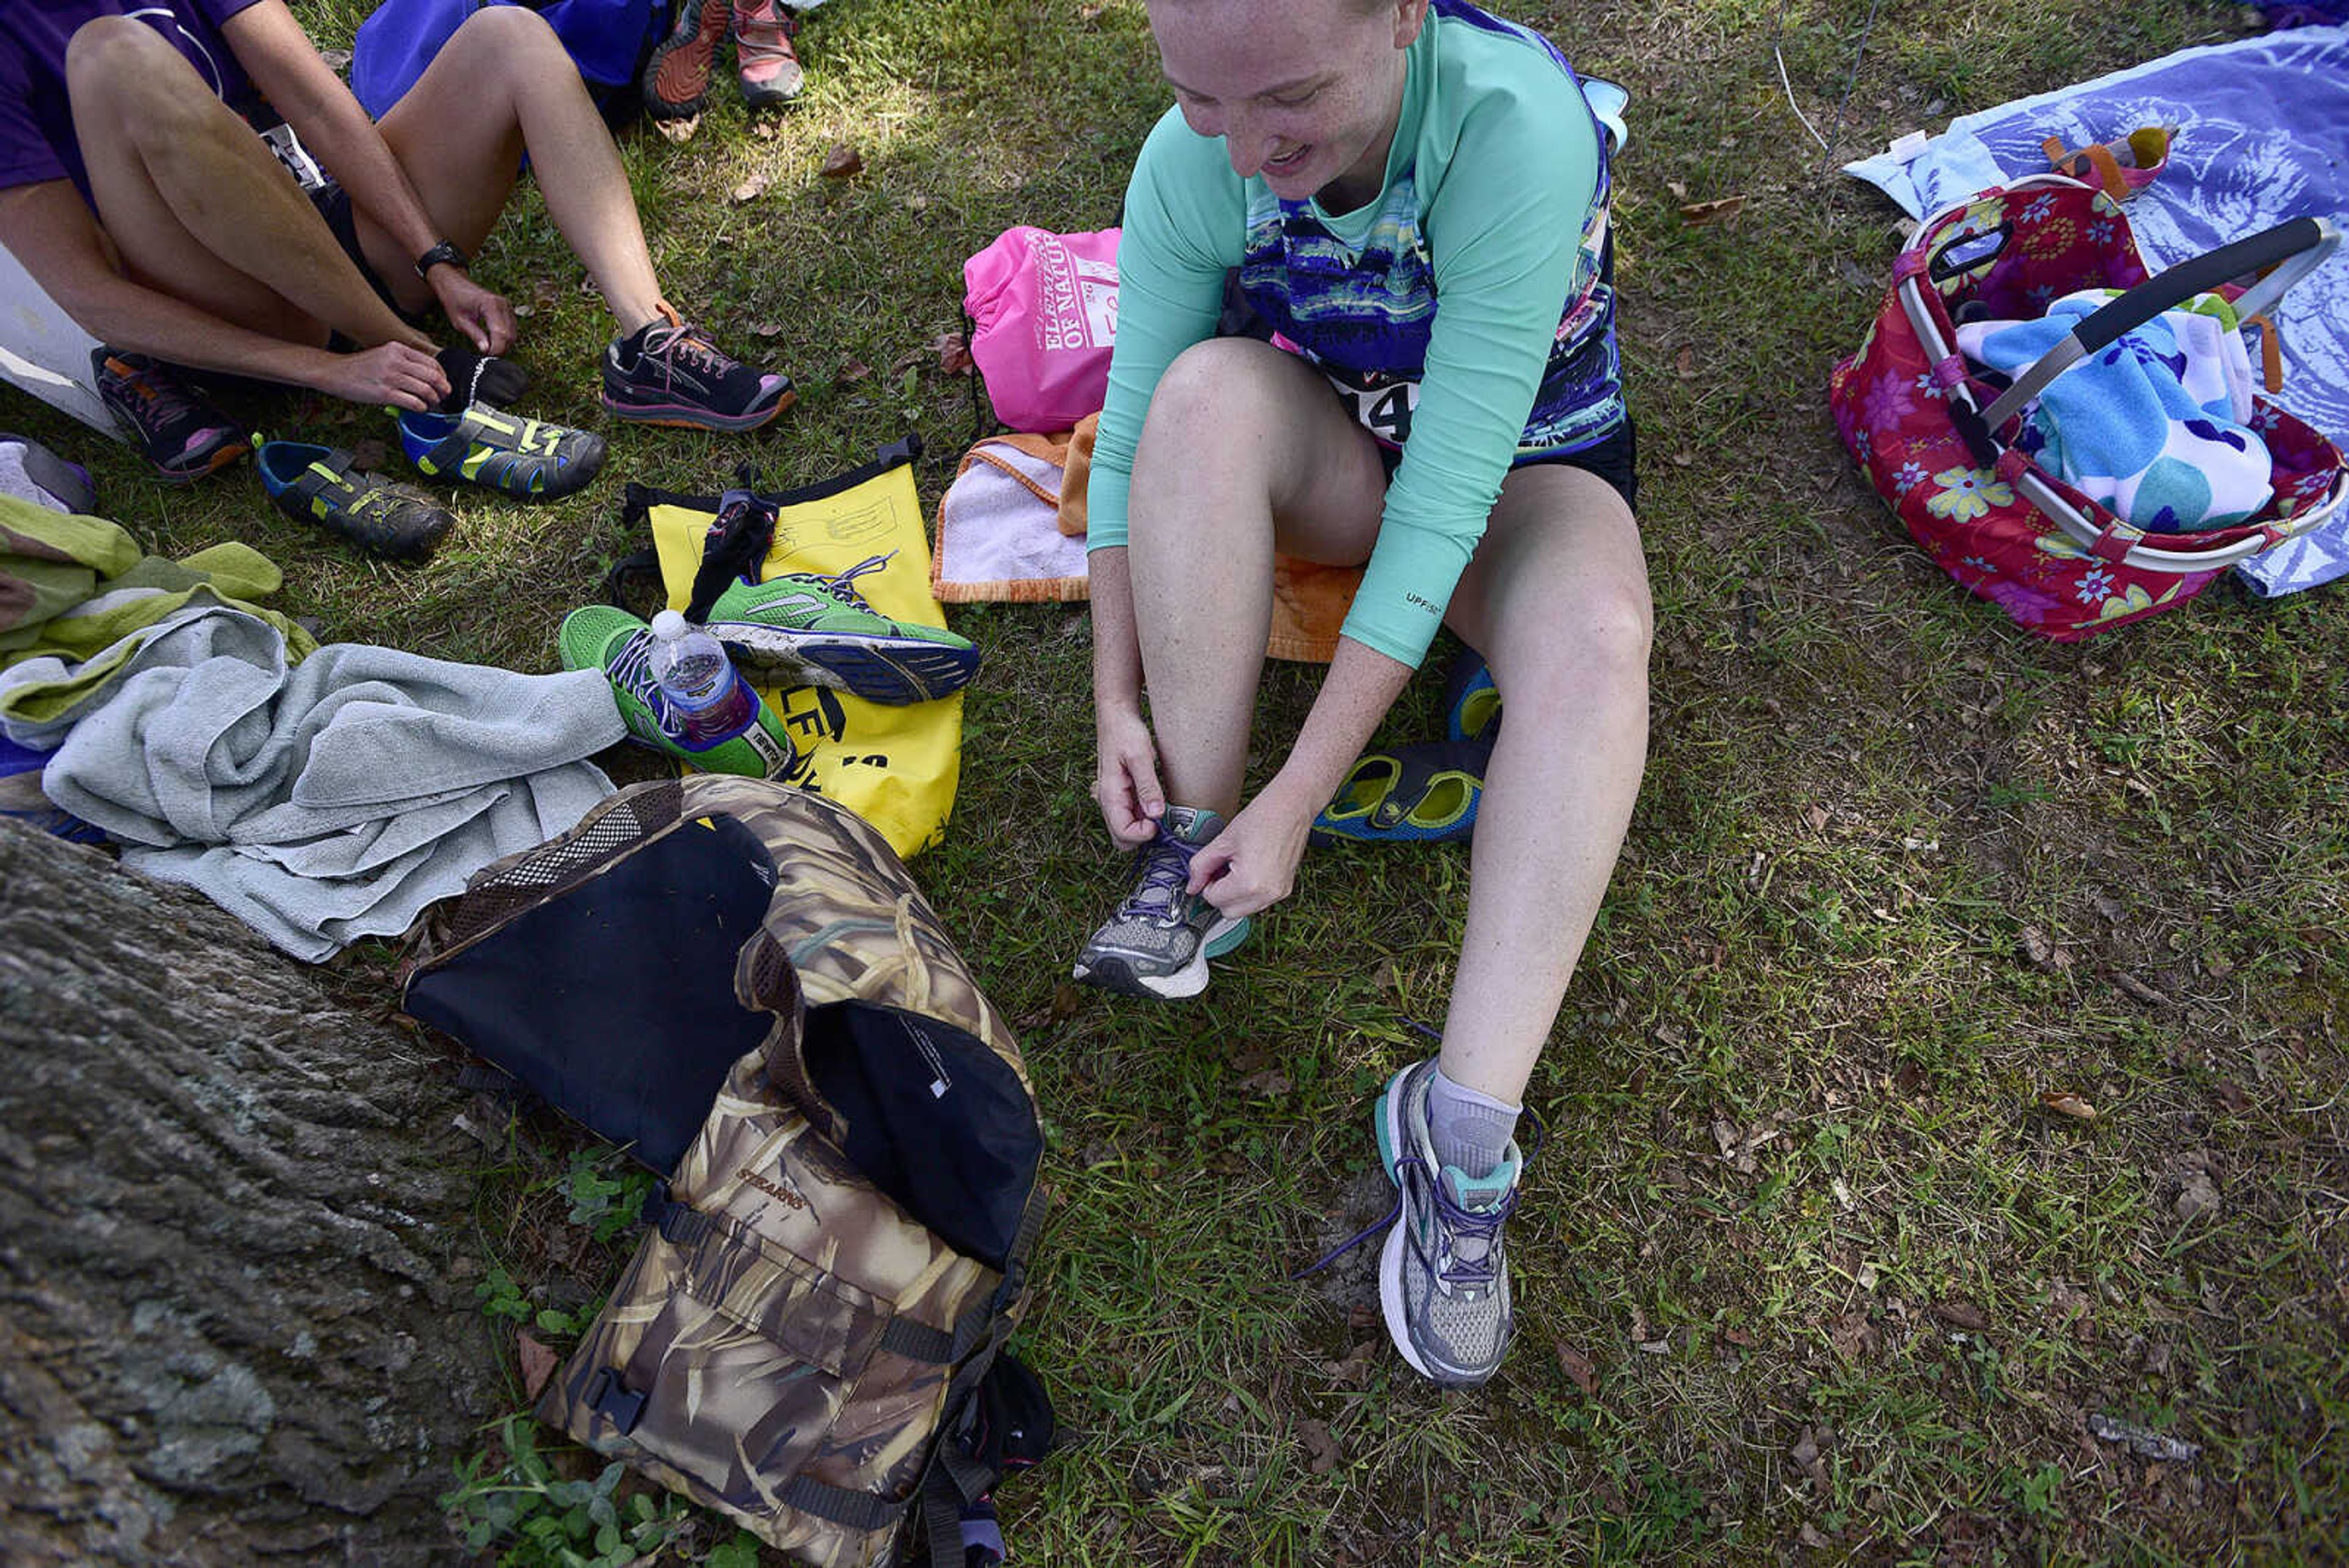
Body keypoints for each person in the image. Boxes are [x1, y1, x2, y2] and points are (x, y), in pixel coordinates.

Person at [1071, 0, 1649, 1388]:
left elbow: (1450, 501)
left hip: (1527, 478)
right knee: (1207, 399)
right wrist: (1115, 700)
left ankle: (1459, 1134)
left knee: (1601, 645)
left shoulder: (1513, 131)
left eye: (1287, 99)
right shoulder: (1190, 156)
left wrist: (1305, 790)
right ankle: (1191, 852)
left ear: (1403, 14)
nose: (1247, 147)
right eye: (1202, 98)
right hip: (1351, 451)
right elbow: (1133, 424)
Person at [0, 0, 793, 494]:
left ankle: (649, 339)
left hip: (317, 231)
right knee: (115, 54)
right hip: (229, 301)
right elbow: (88, 295)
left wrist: (435, 259)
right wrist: (331, 371)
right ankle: (419, 358)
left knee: (508, 35)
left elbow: (316, 101)